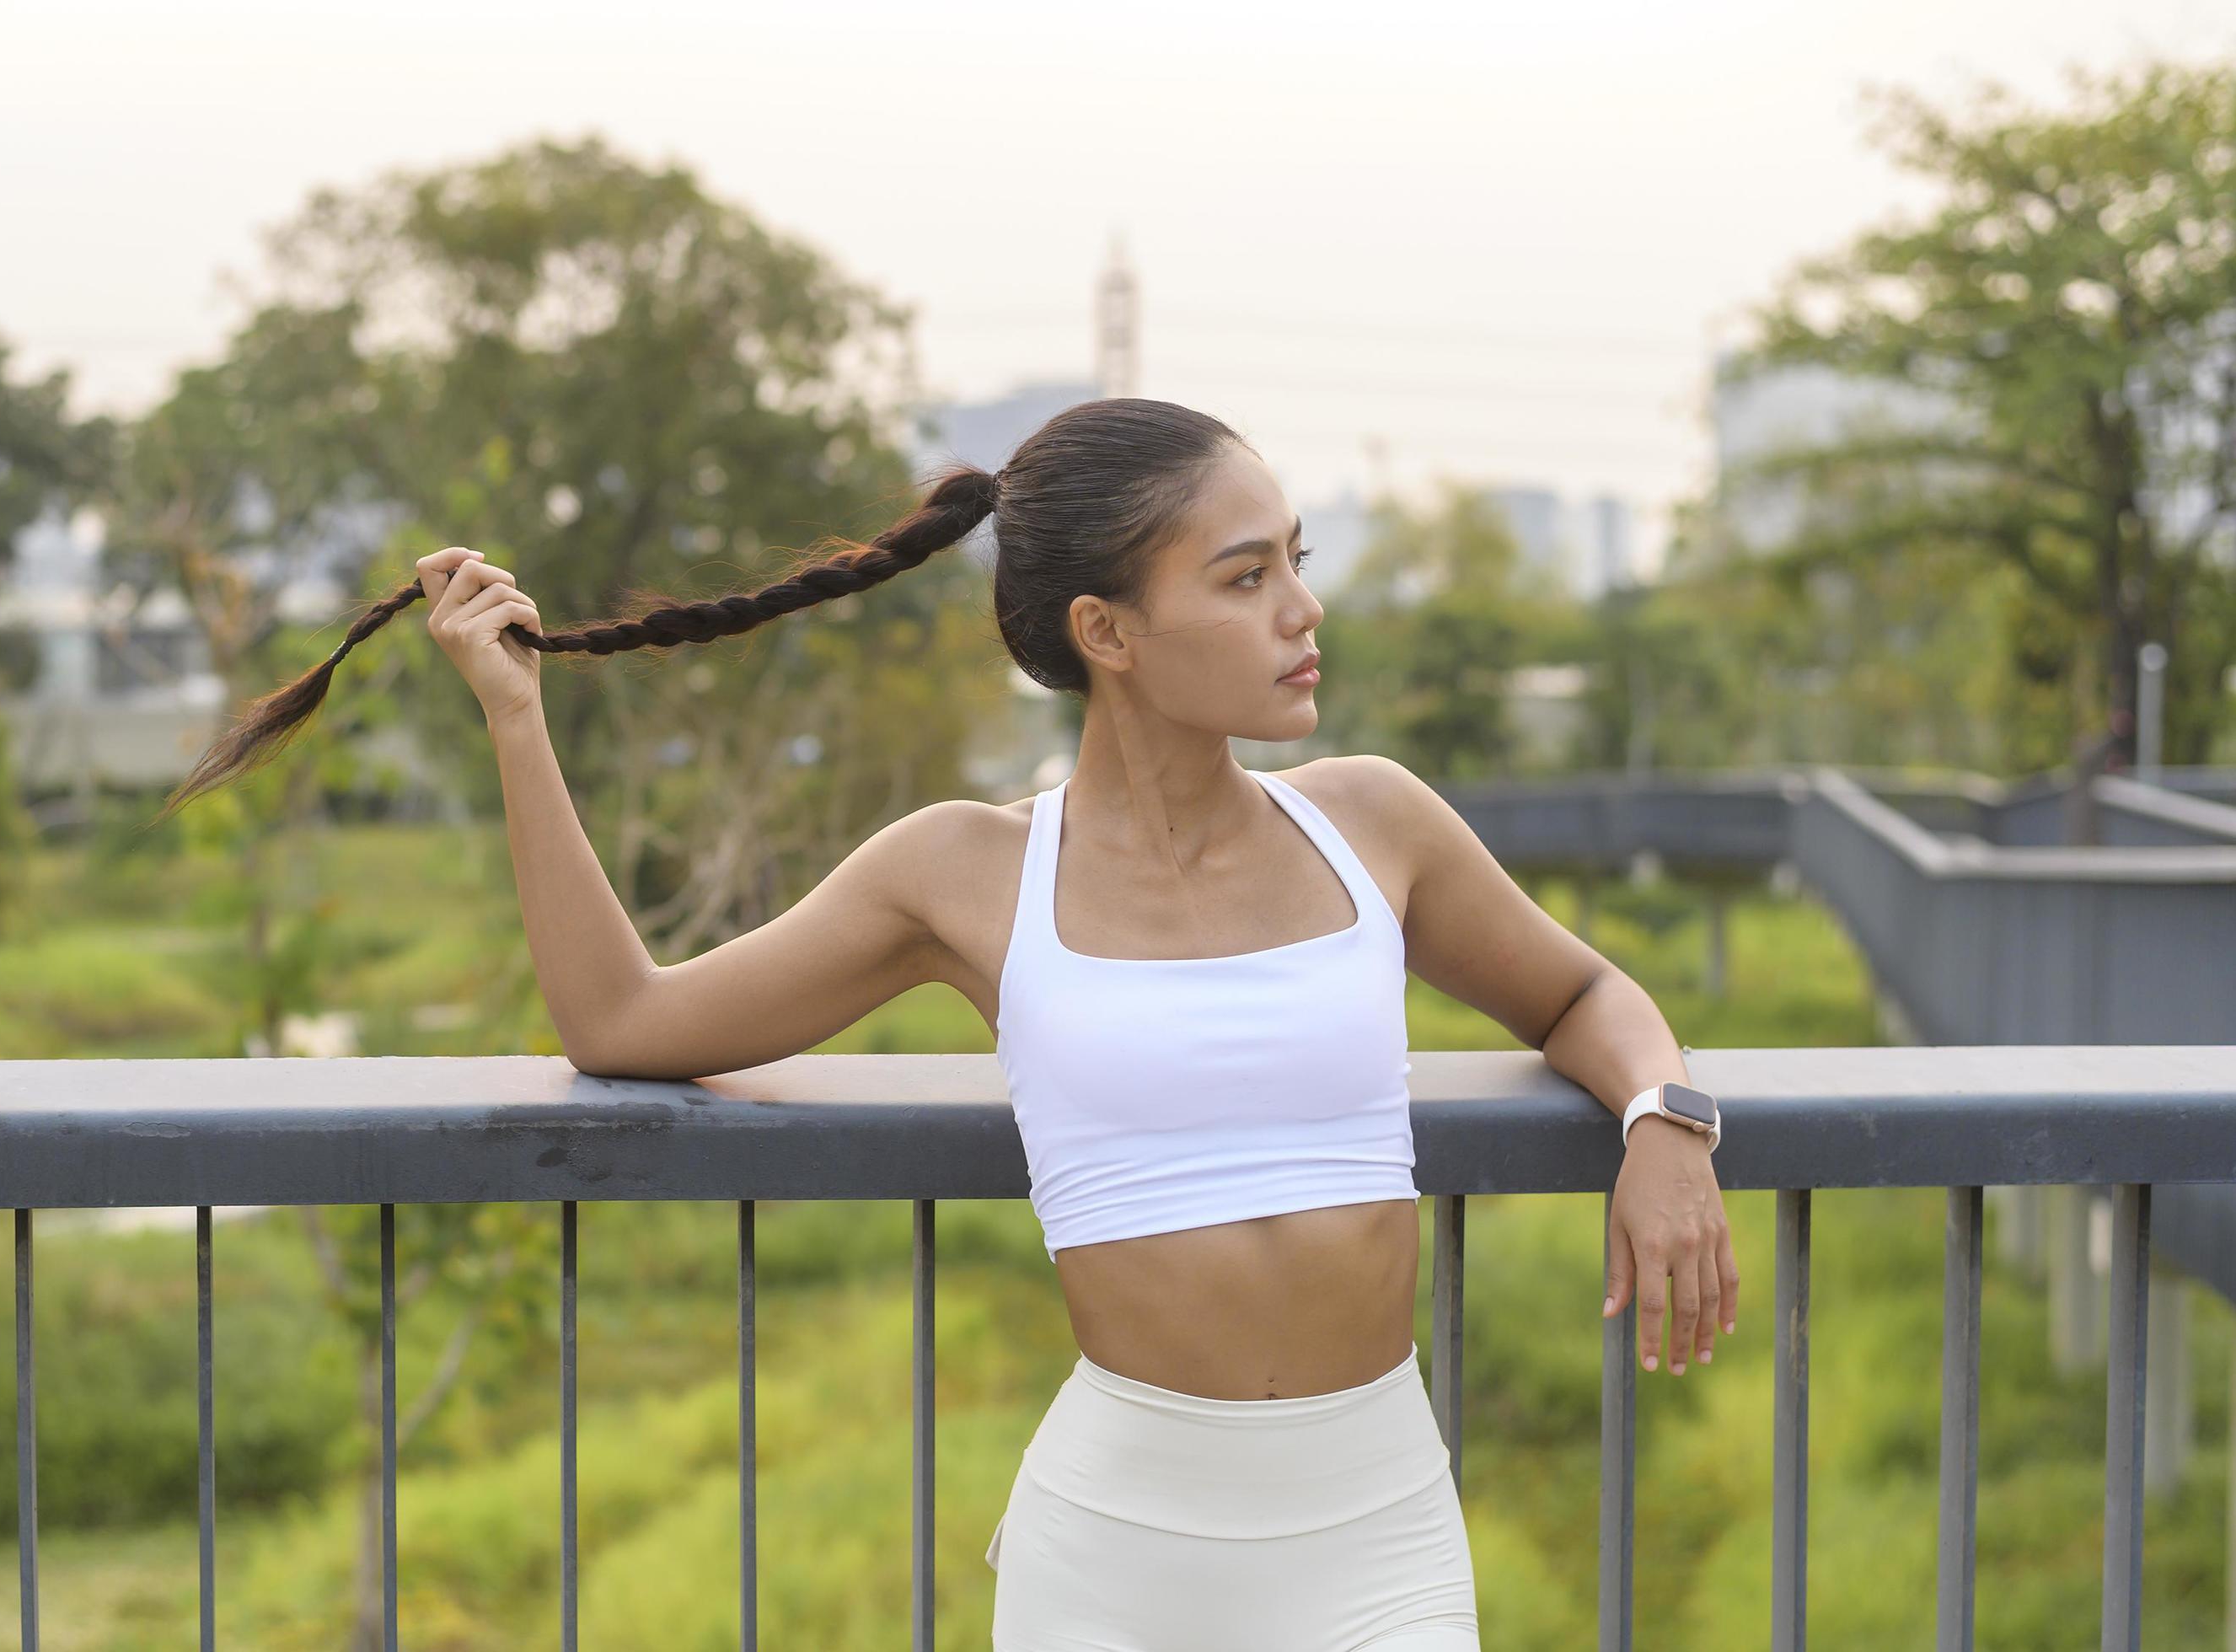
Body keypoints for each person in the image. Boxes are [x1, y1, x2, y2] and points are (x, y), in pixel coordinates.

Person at [160, 396, 1742, 1650]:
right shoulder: (968, 874)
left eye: (1297, 561)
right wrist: (519, 721)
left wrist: (1662, 1120)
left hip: (1377, 1533)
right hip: (1116, 1559)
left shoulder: (1372, 823)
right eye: (1245, 576)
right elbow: (624, 1018)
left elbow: (1584, 992)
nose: (1301, 612)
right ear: (1104, 634)